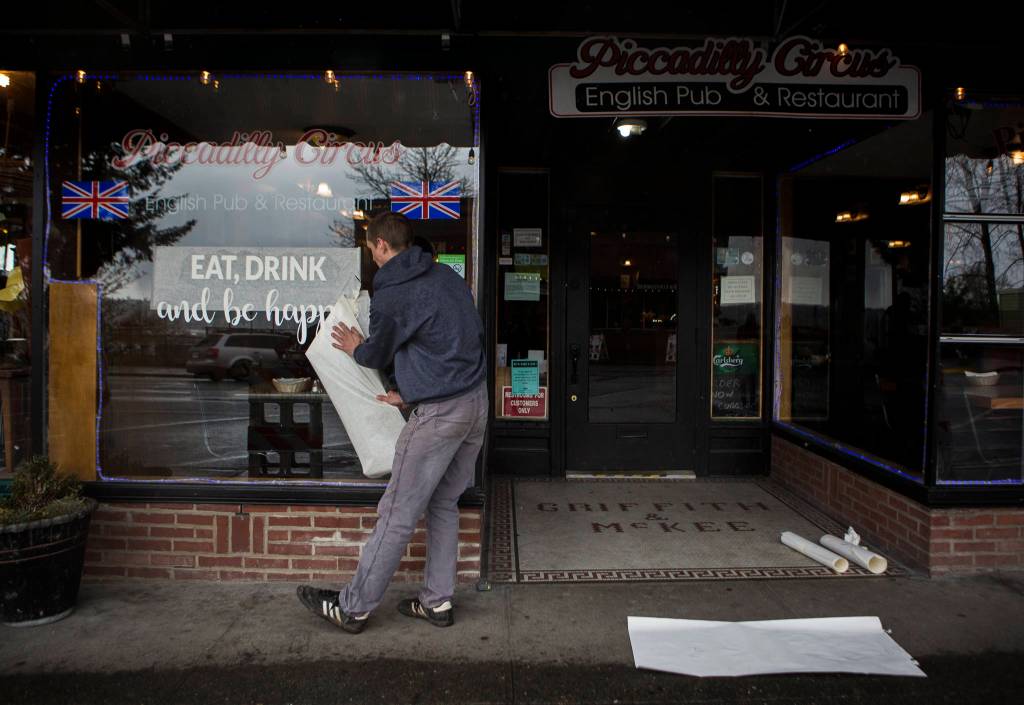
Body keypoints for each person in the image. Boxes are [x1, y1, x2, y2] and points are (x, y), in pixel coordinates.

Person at [296, 211, 487, 634]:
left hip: (438, 415)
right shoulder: (446, 277)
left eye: (369, 249)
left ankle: (353, 608)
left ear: (382, 246)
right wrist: (415, 388)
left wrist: (354, 345)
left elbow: (376, 356)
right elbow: (459, 340)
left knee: (398, 512)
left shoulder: (392, 293)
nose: (370, 257)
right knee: (443, 503)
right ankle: (437, 603)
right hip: (475, 404)